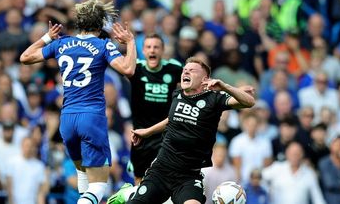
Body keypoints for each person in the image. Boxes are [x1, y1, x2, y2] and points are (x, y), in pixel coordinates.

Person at [19, 0, 137, 204]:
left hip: (67, 119)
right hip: (91, 117)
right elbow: (128, 70)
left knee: (83, 174)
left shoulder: (61, 43)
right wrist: (130, 42)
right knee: (100, 184)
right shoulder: (103, 45)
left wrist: (46, 37)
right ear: (100, 25)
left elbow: (25, 57)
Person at [109, 57, 255, 204]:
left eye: (192, 70)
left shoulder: (214, 98)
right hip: (161, 170)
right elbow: (172, 120)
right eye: (185, 70)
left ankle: (131, 193)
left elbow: (249, 101)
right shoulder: (177, 94)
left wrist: (225, 87)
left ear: (205, 78)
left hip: (188, 176)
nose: (186, 72)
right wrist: (148, 131)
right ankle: (128, 194)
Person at [129, 33, 182, 185]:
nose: (152, 50)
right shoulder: (136, 68)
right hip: (140, 136)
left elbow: (198, 82)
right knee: (139, 179)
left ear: (163, 50)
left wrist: (231, 90)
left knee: (163, 178)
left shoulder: (174, 68)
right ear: (143, 51)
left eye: (156, 47)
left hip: (164, 134)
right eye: (148, 47)